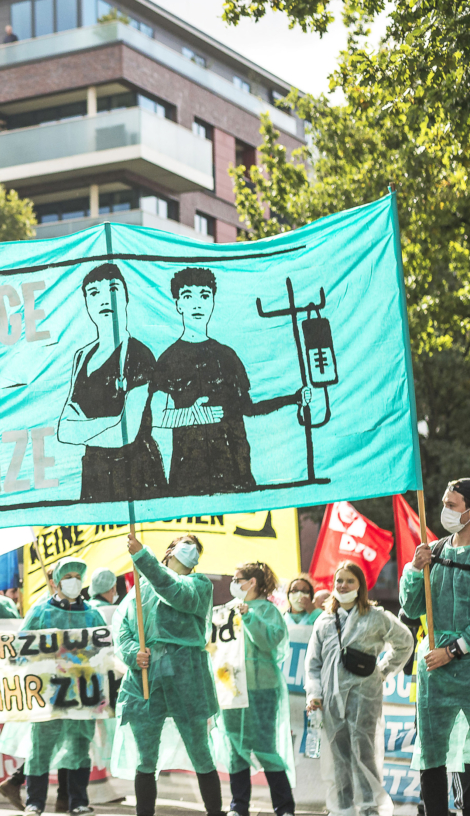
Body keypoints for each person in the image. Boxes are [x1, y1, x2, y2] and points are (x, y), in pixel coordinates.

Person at [399, 478, 470, 816]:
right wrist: (413, 570)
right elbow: (412, 608)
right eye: (445, 504)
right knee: (431, 754)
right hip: (434, 674)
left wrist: (452, 651)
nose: (444, 511)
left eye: (452, 505)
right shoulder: (433, 553)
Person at [147, 268, 311, 495]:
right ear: (178, 305)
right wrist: (189, 416)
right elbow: (151, 417)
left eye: (204, 296)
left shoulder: (227, 357)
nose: (197, 305)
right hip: (188, 480)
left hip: (235, 476)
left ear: (213, 302)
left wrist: (293, 398)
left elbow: (249, 409)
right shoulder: (168, 360)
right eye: (188, 296)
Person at [112, 534, 222, 816]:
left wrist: (142, 557)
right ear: (170, 550)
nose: (192, 551)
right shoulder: (140, 589)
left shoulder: (200, 586)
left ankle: (215, 811)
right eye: (186, 545)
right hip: (145, 677)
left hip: (187, 675)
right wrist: (132, 653)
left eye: (197, 548)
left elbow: (174, 591)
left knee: (199, 748)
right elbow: (122, 628)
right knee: (146, 754)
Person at [304, 561, 413, 816]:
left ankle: (368, 807)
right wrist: (315, 694)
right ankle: (342, 808)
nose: (343, 585)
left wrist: (383, 671)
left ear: (360, 586)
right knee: (338, 755)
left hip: (365, 696)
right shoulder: (324, 620)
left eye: (349, 581)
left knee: (364, 753)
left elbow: (405, 642)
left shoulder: (376, 616)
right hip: (331, 699)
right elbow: (313, 664)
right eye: (339, 581)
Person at [55, 263, 165, 502]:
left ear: (125, 297)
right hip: (94, 476)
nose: (104, 299)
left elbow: (125, 434)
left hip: (136, 474)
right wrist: (112, 421)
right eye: (94, 293)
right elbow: (64, 430)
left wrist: (83, 428)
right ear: (86, 303)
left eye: (112, 290)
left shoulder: (137, 355)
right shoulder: (82, 357)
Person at [18, 558, 105, 816]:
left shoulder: (92, 614)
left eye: (78, 576)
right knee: (41, 747)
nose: (73, 581)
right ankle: (34, 802)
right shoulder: (40, 612)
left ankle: (78, 801)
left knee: (79, 744)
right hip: (48, 692)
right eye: (68, 576)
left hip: (82, 692)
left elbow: (105, 651)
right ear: (55, 582)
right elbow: (19, 647)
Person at [221, 562, 293, 816]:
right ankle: (239, 806)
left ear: (252, 582)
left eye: (237, 578)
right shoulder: (226, 611)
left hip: (262, 689)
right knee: (235, 748)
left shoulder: (268, 610)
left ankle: (284, 807)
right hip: (231, 689)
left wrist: (249, 616)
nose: (233, 582)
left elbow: (270, 639)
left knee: (265, 747)